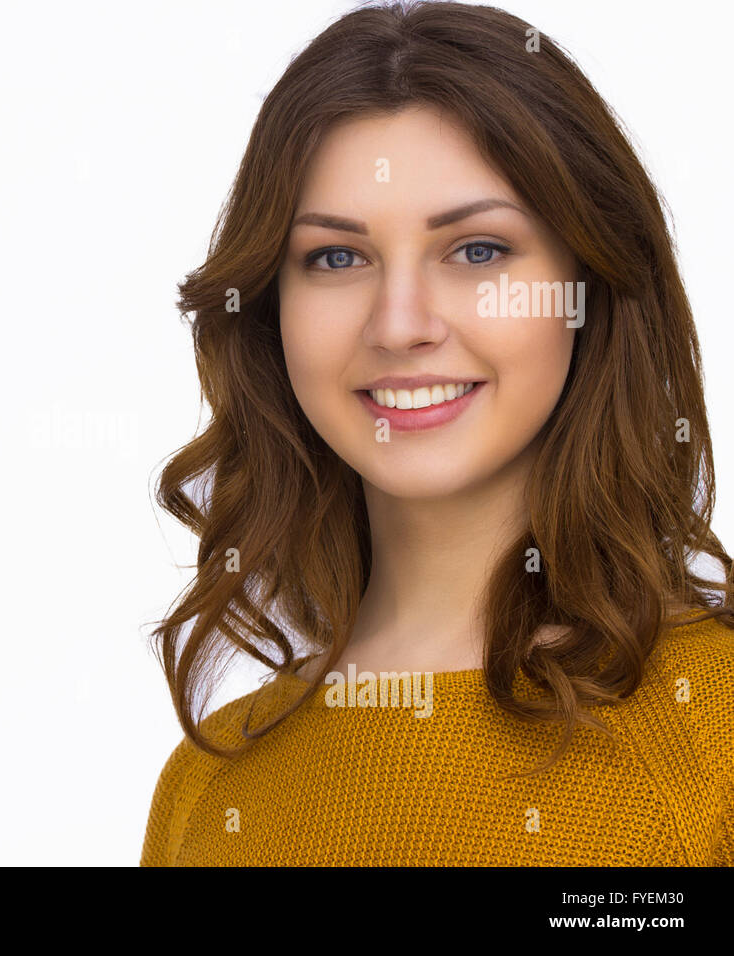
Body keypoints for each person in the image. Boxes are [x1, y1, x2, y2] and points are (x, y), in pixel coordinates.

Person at [142, 0, 734, 866]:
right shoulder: (206, 785)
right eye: (337, 258)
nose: (401, 324)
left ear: (588, 288)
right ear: (272, 311)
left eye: (478, 251)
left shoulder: (714, 735)